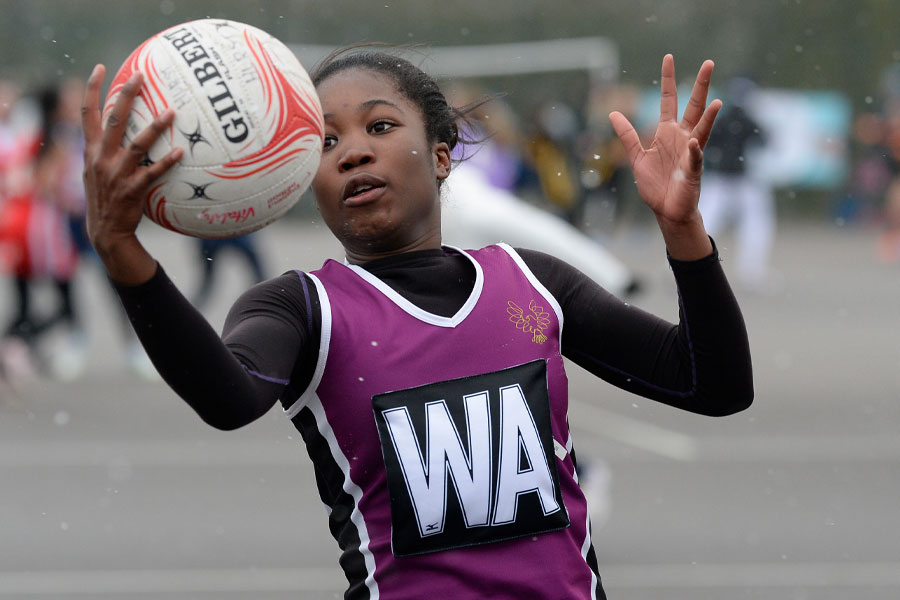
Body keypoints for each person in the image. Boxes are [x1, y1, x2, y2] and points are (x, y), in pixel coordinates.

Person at [81, 49, 752, 599]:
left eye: (378, 127)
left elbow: (714, 386)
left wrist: (683, 230)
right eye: (324, 142)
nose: (351, 153)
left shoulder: (532, 283)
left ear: (439, 154)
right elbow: (227, 399)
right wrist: (122, 251)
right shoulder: (299, 309)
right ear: (297, 180)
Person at [698, 75, 775, 292]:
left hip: (722, 179)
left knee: (703, 224)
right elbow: (764, 141)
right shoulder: (747, 118)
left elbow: (707, 143)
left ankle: (681, 267)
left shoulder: (721, 118)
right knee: (756, 225)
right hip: (740, 180)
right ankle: (751, 272)